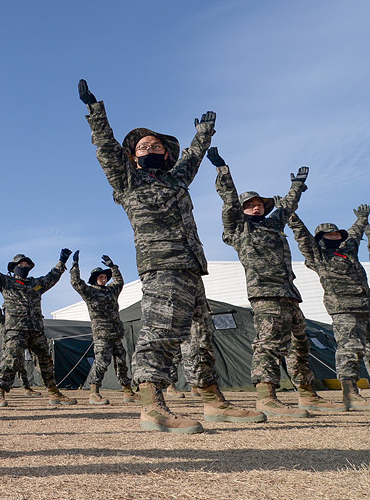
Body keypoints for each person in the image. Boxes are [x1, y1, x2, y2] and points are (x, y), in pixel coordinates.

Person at [78, 79, 265, 433]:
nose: (151, 147)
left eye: (157, 145)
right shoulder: (128, 181)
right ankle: (152, 405)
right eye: (143, 145)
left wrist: (204, 134)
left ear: (166, 154)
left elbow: (193, 158)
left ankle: (212, 401)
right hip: (161, 266)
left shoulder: (177, 180)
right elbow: (105, 146)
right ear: (132, 156)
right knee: (160, 333)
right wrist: (95, 112)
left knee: (200, 337)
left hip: (192, 267)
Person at [207, 148, 344, 415]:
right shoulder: (237, 229)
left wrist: (296, 187)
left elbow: (287, 207)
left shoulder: (273, 226)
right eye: (249, 205)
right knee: (268, 345)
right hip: (265, 294)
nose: (255, 207)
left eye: (258, 204)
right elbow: (229, 203)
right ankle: (266, 395)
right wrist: (222, 170)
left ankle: (307, 394)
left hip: (289, 293)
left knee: (300, 345)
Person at [288, 205, 370, 410]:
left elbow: (355, 234)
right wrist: (292, 216)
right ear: (320, 239)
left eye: (336, 234)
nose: (333, 237)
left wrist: (362, 219)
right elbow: (303, 237)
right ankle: (349, 392)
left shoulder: (348, 250)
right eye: (328, 235)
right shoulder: (318, 256)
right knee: (349, 350)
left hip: (366, 307)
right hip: (344, 309)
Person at [0, 238, 76, 407]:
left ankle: (54, 393)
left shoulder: (36, 284)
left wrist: (62, 261)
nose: (24, 267)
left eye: (27, 265)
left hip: (36, 329)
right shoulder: (6, 282)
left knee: (46, 361)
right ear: (14, 267)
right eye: (21, 264)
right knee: (12, 360)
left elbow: (52, 277)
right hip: (16, 329)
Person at [69, 251, 138, 405]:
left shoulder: (112, 291)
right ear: (94, 279)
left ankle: (128, 391)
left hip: (116, 334)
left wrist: (113, 267)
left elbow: (119, 281)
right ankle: (94, 392)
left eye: (105, 276)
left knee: (122, 362)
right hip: (102, 334)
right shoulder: (90, 292)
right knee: (101, 362)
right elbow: (76, 283)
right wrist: (75, 266)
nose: (104, 278)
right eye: (100, 277)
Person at [0, 286, 39, 396]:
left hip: (16, 346)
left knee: (21, 369)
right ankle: (0, 389)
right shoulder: (3, 320)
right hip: (7, 348)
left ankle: (27, 388)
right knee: (7, 368)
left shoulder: (14, 319)